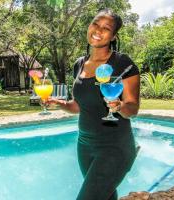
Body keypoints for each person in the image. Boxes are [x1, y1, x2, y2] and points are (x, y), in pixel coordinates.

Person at [47, 9, 140, 200]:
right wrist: (58, 103)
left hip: (115, 146)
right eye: (96, 24)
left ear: (113, 36)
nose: (98, 30)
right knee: (105, 196)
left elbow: (132, 108)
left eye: (106, 28)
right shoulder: (79, 64)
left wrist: (119, 106)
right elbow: (78, 107)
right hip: (85, 145)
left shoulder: (123, 63)